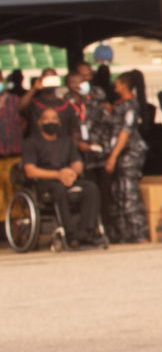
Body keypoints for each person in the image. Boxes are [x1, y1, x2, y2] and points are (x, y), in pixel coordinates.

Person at [21, 103, 104, 248]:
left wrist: (72, 172)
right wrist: (57, 175)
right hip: (46, 182)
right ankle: (70, 234)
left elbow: (77, 163)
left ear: (59, 122)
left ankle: (87, 232)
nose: (51, 122)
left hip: (68, 178)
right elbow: (30, 170)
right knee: (59, 191)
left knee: (91, 188)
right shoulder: (32, 142)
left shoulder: (66, 141)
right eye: (47, 119)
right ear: (40, 122)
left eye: (54, 119)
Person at [100, 71, 149, 243]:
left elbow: (125, 132)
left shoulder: (131, 104)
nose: (115, 86)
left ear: (125, 85)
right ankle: (123, 234)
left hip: (129, 153)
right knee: (118, 193)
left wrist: (113, 156)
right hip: (119, 153)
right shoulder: (120, 105)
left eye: (118, 83)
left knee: (129, 193)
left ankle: (139, 233)